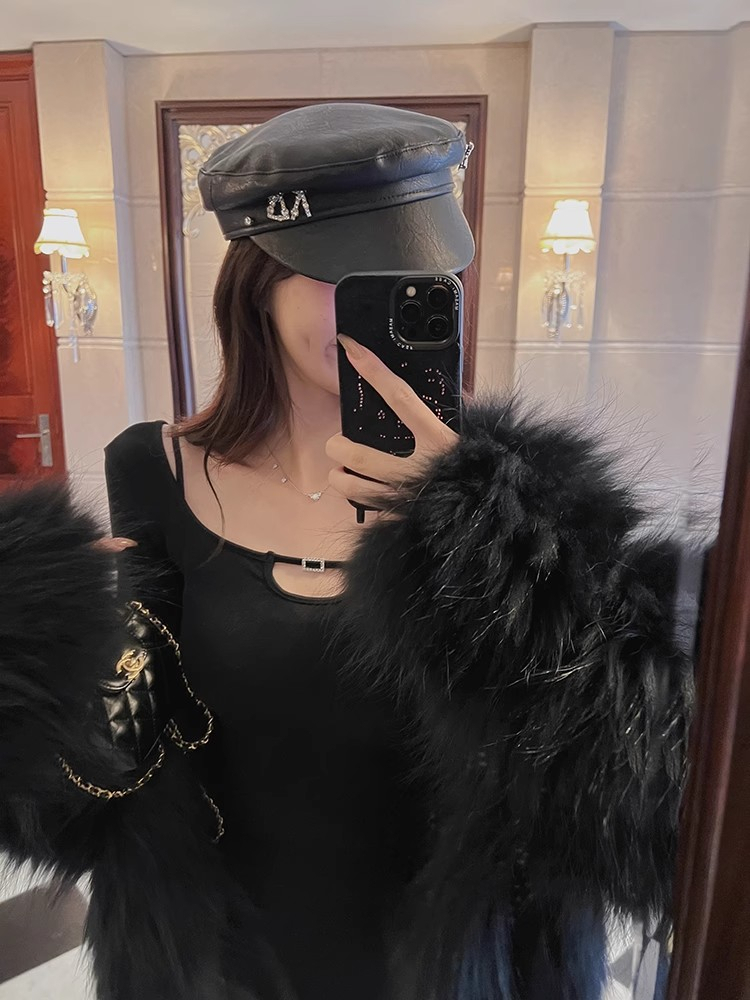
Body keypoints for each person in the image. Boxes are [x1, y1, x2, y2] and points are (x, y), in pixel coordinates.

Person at [0, 103, 698, 1000]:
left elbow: (641, 803)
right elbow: (101, 784)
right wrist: (39, 645)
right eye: (352, 277)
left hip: (468, 971)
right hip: (227, 965)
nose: (383, 308)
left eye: (421, 277)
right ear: (258, 281)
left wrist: (480, 545)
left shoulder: (530, 505)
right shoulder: (155, 471)